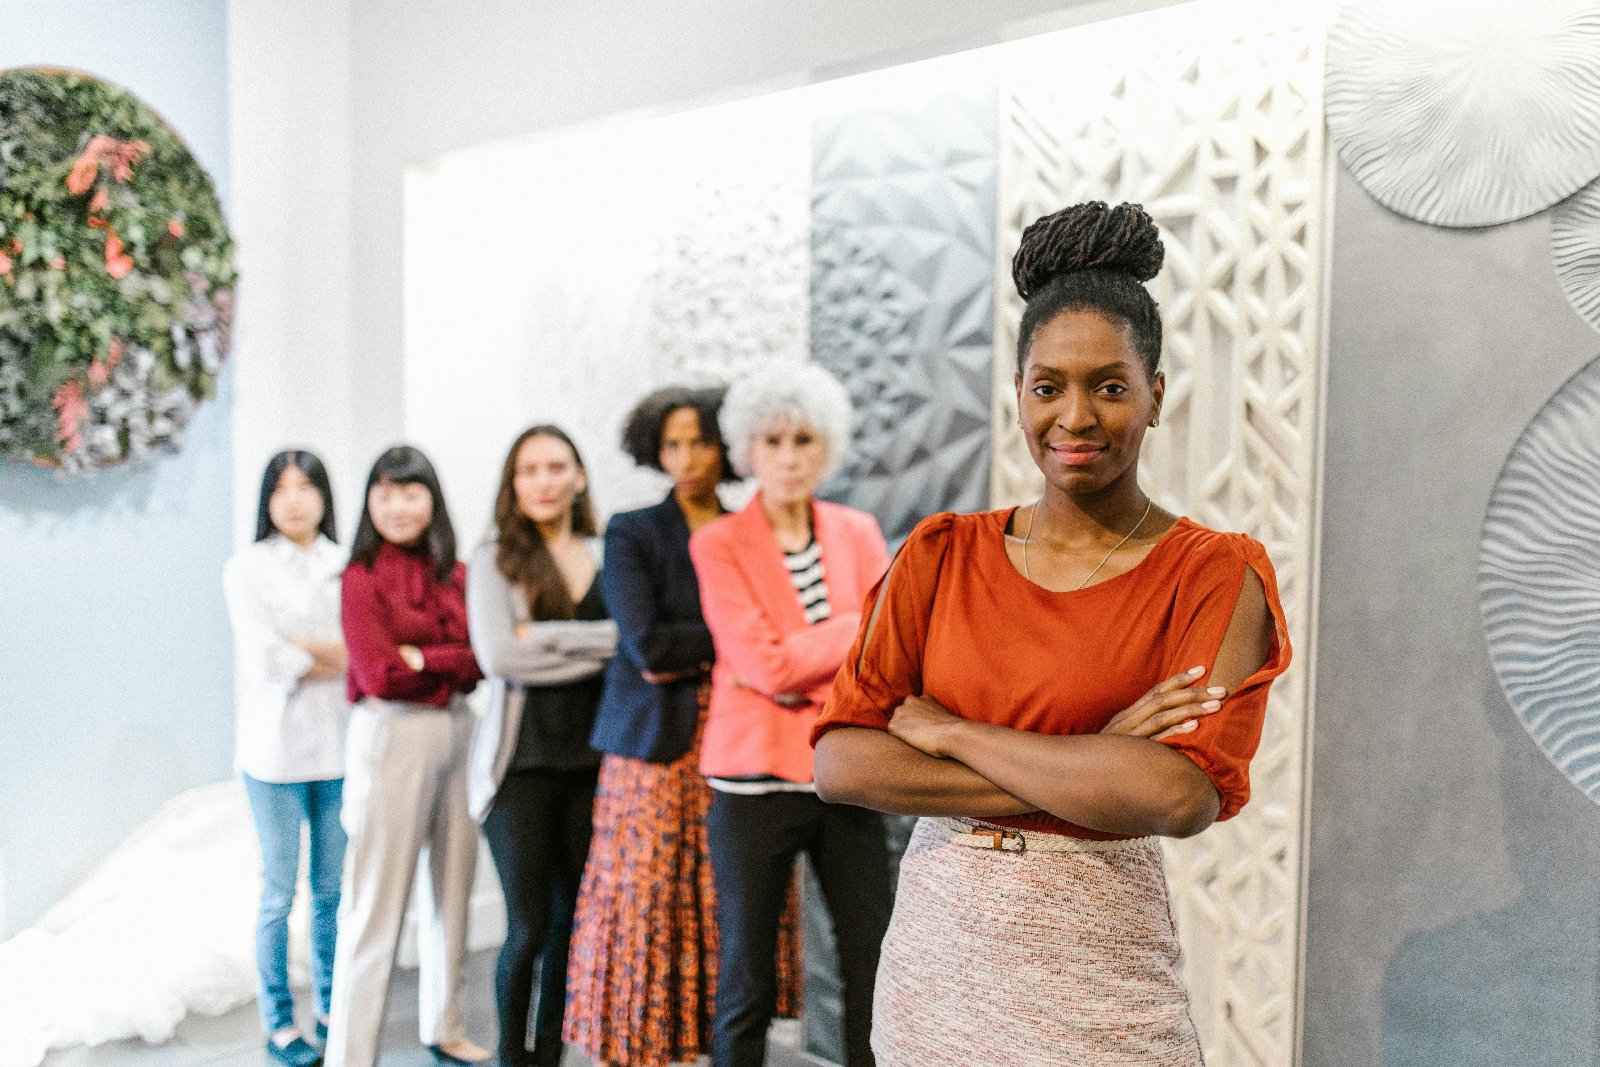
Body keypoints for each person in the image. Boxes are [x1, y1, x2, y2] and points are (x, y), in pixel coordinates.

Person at [810, 201, 1292, 1066]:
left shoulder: (1215, 572)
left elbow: (1178, 796)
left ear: (1155, 396)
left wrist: (954, 733)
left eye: (1110, 386)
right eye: (1048, 387)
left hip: (1100, 982)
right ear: (1019, 394)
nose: (1076, 416)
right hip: (936, 971)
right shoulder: (940, 554)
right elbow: (845, 763)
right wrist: (1099, 758)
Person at [563, 388, 804, 1067]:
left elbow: (785, 632)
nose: (687, 457)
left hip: (744, 734)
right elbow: (648, 646)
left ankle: (716, 1043)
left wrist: (745, 644)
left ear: (724, 446)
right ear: (654, 450)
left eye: (700, 441)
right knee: (648, 896)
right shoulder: (632, 530)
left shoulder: (755, 527)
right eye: (672, 444)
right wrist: (739, 640)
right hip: (655, 747)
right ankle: (644, 1042)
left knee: (732, 896)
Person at [689, 363, 894, 1067]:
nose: (787, 457)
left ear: (826, 447)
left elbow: (887, 654)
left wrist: (798, 661)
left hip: (846, 773)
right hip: (753, 782)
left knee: (874, 958)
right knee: (747, 973)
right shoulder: (717, 543)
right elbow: (764, 665)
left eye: (803, 439)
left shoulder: (858, 531)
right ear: (746, 448)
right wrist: (855, 628)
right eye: (771, 441)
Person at [325, 446, 489, 1067]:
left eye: (411, 492)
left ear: (432, 499)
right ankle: (350, 1054)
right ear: (370, 501)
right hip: (392, 734)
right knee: (374, 902)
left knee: (453, 887)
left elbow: (481, 660)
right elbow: (380, 673)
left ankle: (446, 1024)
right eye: (385, 493)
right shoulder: (359, 578)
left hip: (460, 730)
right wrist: (446, 660)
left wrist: (428, 658)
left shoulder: (459, 574)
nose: (398, 506)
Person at [466, 426, 617, 1067]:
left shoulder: (608, 553)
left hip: (592, 766)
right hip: (520, 769)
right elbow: (502, 656)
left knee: (570, 927)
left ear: (579, 476)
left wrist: (545, 637)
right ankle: (512, 1056)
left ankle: (549, 1054)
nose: (544, 481)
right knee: (527, 928)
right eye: (529, 470)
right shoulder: (493, 559)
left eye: (557, 467)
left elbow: (630, 643)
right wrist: (598, 646)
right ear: (513, 484)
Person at [224, 450, 349, 1067]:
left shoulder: (347, 564)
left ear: (325, 495)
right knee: (278, 894)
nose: (295, 500)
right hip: (272, 754)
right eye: (282, 488)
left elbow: (367, 654)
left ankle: (331, 1007)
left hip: (341, 750)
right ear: (266, 500)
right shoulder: (246, 568)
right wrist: (334, 654)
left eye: (307, 486)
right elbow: (269, 661)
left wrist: (312, 651)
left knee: (331, 891)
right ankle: (278, 1021)